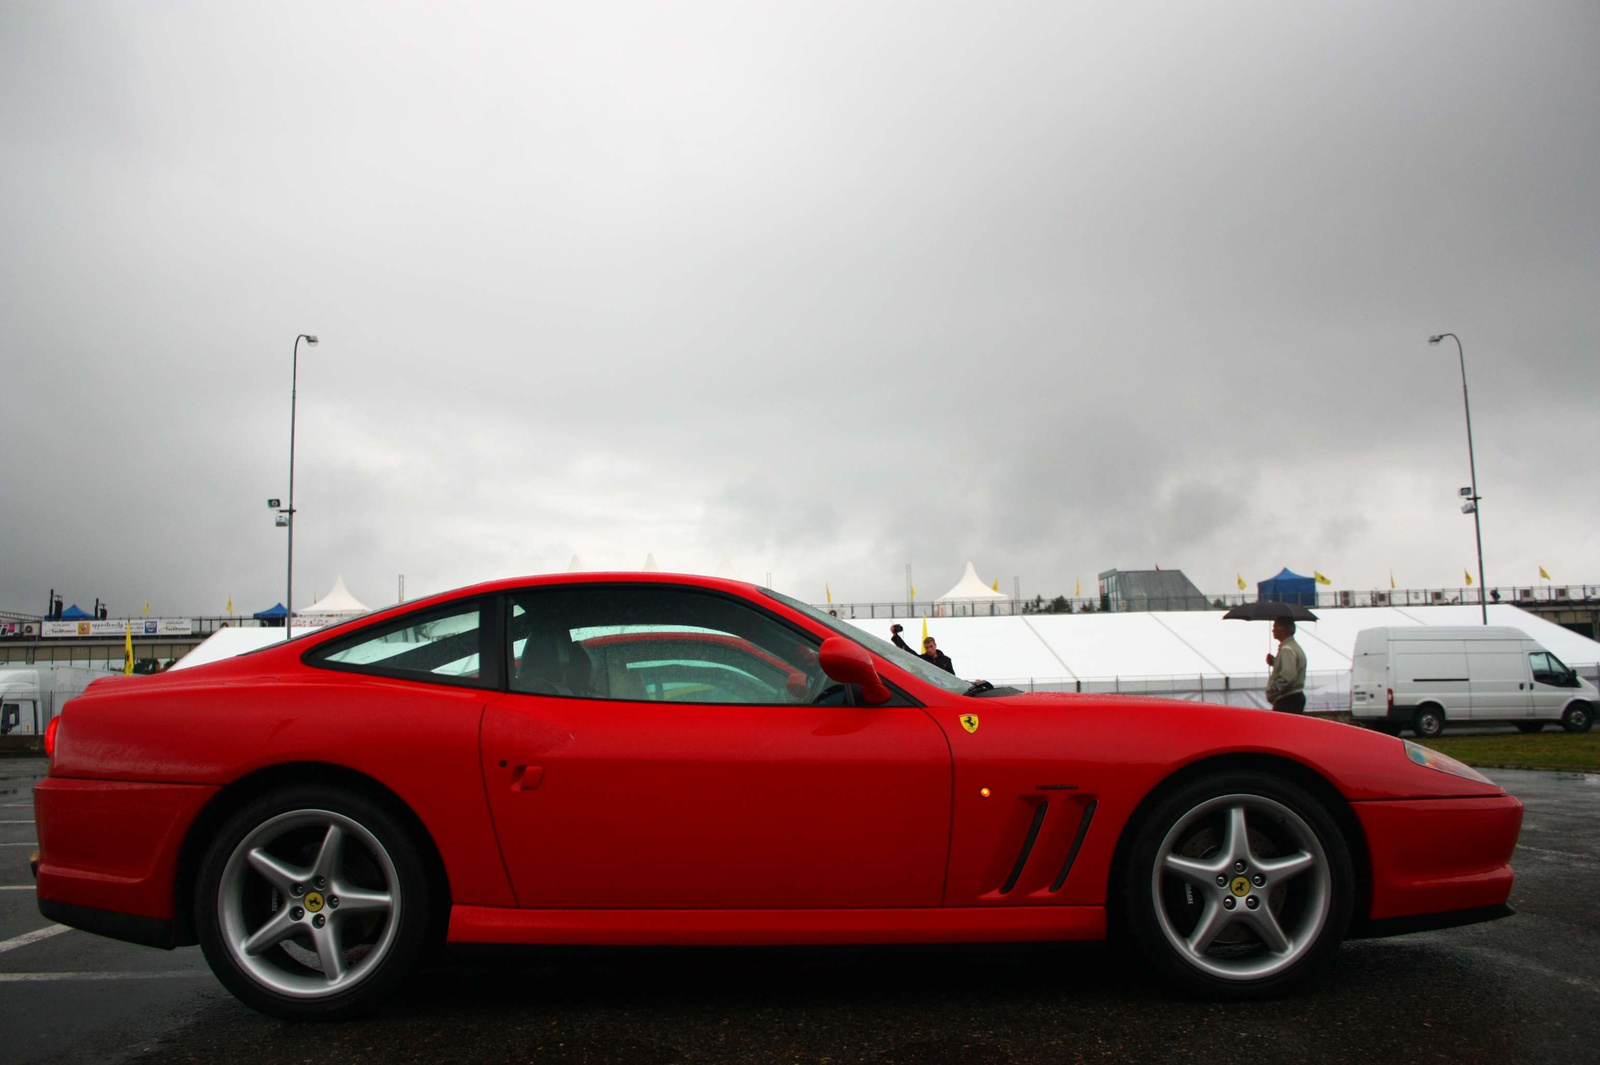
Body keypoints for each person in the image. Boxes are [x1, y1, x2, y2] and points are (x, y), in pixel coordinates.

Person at [1264, 618, 1307, 713]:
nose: (1273, 630)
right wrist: (1275, 662)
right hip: (1295, 697)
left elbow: (1287, 676)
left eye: (1275, 627)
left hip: (1287, 699)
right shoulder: (1294, 647)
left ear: (1282, 630)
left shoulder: (1286, 650)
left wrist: (1273, 689)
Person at [890, 624, 955, 674]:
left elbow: (954, 679)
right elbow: (908, 651)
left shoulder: (946, 660)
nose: (929, 649)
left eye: (931, 646)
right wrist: (896, 636)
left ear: (935, 645)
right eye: (927, 647)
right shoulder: (922, 660)